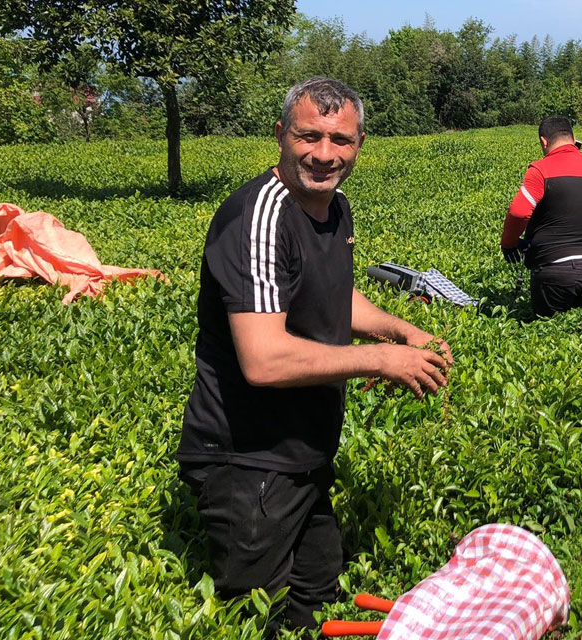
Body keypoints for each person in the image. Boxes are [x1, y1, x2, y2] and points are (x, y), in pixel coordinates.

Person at [175, 77, 452, 630]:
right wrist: (378, 360)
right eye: (309, 136)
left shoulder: (334, 205)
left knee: (317, 597)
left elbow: (334, 293)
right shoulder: (259, 217)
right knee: (257, 618)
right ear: (281, 134)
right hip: (247, 457)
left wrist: (400, 331)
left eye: (340, 140)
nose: (324, 155)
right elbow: (264, 359)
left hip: (304, 449)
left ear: (359, 144)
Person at [500, 116, 582, 317]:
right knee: (579, 333)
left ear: (544, 141)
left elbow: (518, 211)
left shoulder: (540, 170)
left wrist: (509, 243)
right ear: (573, 137)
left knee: (548, 335)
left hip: (554, 271)